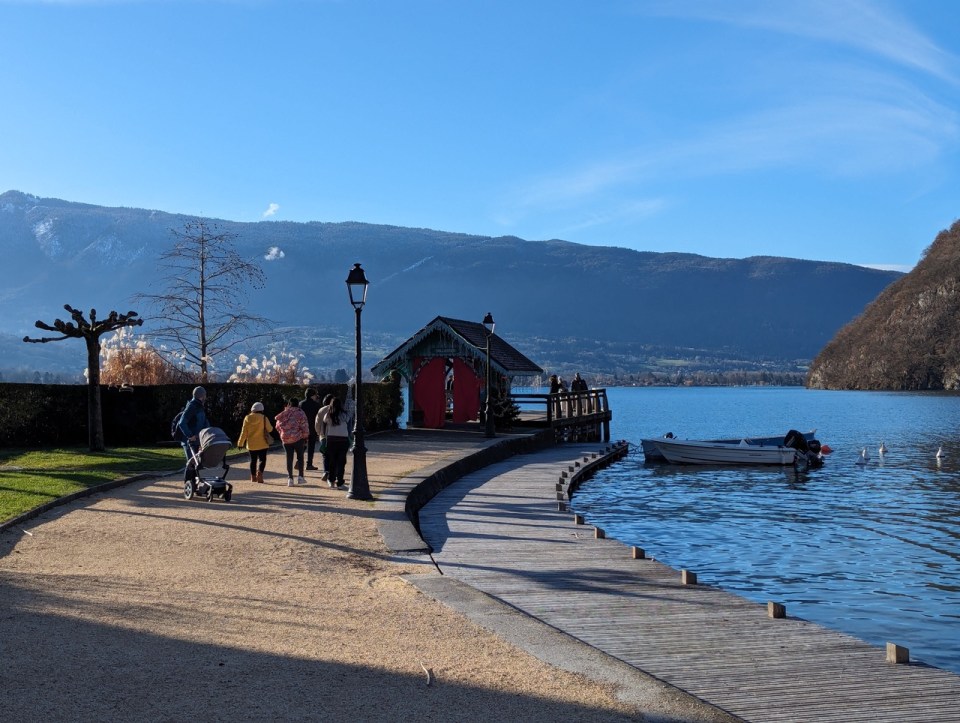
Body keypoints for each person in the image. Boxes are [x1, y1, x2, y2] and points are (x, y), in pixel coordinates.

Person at [274, 397, 309, 487]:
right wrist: (305, 436)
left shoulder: (284, 413)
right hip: (298, 438)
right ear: (298, 404)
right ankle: (300, 477)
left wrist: (282, 433)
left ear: (289, 404)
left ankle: (290, 479)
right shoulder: (300, 413)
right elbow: (304, 425)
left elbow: (277, 426)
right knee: (300, 457)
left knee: (289, 458)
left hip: (285, 439)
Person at [177, 386, 209, 483]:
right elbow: (182, 422)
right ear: (202, 396)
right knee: (191, 463)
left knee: (195, 463)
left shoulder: (199, 406)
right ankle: (188, 484)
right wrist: (190, 436)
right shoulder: (192, 406)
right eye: (204, 395)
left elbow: (203, 422)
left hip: (197, 439)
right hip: (190, 440)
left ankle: (194, 484)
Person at [236, 401, 273, 483]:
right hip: (263, 443)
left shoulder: (247, 418)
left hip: (251, 444)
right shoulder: (264, 418)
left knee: (253, 460)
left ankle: (253, 477)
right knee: (262, 460)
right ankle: (260, 473)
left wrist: (240, 443)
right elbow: (270, 429)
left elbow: (243, 432)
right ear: (262, 410)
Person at [319, 396, 350, 489]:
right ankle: (340, 482)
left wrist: (324, 437)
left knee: (332, 461)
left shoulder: (328, 415)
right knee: (341, 462)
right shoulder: (345, 414)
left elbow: (324, 426)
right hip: (343, 439)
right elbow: (349, 424)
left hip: (331, 440)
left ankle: (331, 480)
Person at [299, 388, 322, 471]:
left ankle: (299, 461)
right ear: (312, 395)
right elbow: (319, 418)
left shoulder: (300, 404)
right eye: (315, 395)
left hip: (301, 428)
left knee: (302, 445)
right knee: (311, 447)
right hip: (312, 428)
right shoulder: (316, 405)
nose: (316, 397)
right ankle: (309, 464)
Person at [314, 393, 335, 481]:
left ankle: (326, 471)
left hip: (324, 436)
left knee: (325, 455)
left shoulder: (321, 410)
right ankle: (333, 472)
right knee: (334, 455)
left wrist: (319, 433)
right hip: (335, 435)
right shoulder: (336, 409)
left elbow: (317, 423)